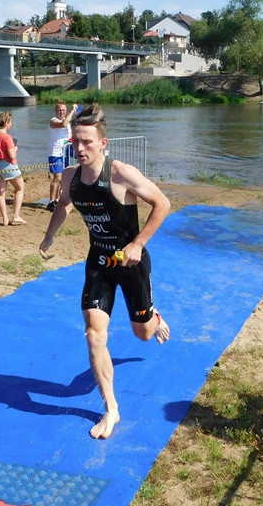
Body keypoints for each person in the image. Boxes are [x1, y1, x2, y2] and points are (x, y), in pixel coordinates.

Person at [39, 103, 171, 440]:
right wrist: (49, 235)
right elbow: (64, 206)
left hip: (131, 264)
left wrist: (138, 243)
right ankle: (111, 409)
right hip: (99, 262)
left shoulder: (120, 173)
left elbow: (163, 204)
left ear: (103, 143)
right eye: (75, 142)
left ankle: (155, 317)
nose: (80, 149)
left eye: (86, 142)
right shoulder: (70, 176)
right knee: (94, 333)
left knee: (142, 333)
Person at [0, 110, 25, 226]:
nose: (11, 125)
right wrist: (15, 148)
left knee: (0, 193)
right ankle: (16, 216)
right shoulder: (7, 137)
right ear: (6, 122)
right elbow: (12, 155)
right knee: (20, 188)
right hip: (9, 165)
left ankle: (5, 218)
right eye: (10, 122)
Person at [47, 100, 78, 211]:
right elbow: (63, 124)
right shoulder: (53, 121)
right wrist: (73, 111)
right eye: (60, 110)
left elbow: (69, 135)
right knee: (57, 177)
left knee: (63, 178)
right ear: (56, 111)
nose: (62, 112)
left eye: (64, 110)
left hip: (64, 152)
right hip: (55, 153)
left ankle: (59, 199)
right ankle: (51, 201)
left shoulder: (68, 123)